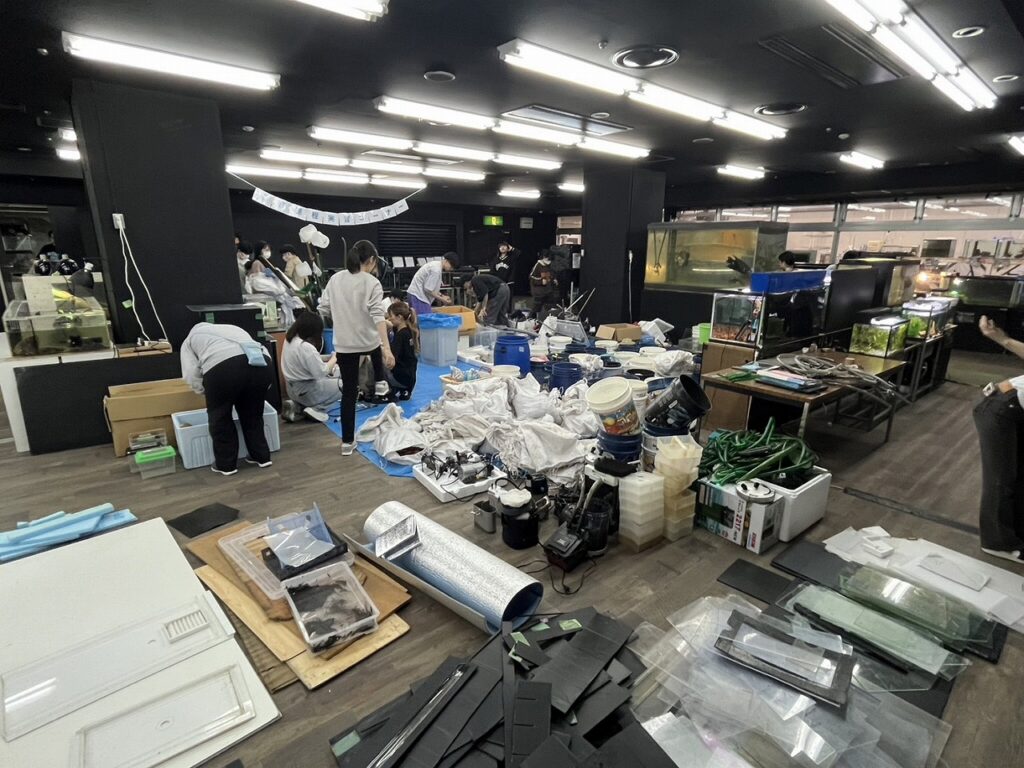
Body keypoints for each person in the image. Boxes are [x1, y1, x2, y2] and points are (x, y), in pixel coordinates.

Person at [318, 240, 395, 455]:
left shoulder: (335, 279)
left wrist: (343, 316)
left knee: (349, 394)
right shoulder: (372, 283)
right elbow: (378, 316)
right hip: (367, 341)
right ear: (371, 260)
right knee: (375, 345)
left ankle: (346, 443)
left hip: (344, 344)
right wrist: (387, 348)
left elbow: (323, 308)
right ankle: (380, 382)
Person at [180, 322, 273, 476]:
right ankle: (261, 456)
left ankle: (226, 465)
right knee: (253, 414)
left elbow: (190, 374)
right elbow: (257, 347)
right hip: (262, 363)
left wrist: (206, 392)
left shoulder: (190, 340)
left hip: (223, 368)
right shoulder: (233, 328)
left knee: (220, 417)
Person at [974, 316, 1024, 562]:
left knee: (1017, 475)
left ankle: (1016, 534)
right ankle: (997, 543)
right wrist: (1002, 339)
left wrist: (1002, 339)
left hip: (1015, 408)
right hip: (1000, 409)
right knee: (1001, 478)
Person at [282, 311, 341, 422]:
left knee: (331, 379)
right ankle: (317, 409)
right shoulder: (306, 347)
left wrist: (328, 357)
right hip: (307, 391)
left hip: (291, 389)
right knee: (343, 385)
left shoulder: (290, 340)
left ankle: (297, 408)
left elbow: (307, 359)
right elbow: (322, 372)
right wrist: (335, 358)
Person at [244, 259, 303, 326]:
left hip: (283, 298)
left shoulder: (260, 275)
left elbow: (279, 290)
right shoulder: (257, 279)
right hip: (280, 298)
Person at [385, 301, 419, 400]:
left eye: (391, 316)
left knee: (377, 360)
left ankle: (387, 390)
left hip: (401, 378)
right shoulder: (408, 330)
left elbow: (392, 359)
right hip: (410, 379)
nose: (389, 319)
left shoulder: (400, 335)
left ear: (399, 317)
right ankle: (404, 390)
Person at [406, 252, 458, 316]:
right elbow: (428, 289)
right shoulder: (436, 270)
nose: (451, 269)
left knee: (418, 318)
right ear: (446, 261)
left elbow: (431, 287)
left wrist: (442, 295)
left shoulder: (436, 265)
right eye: (451, 266)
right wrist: (442, 299)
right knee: (424, 320)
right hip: (418, 296)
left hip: (416, 294)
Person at [529, 249, 560, 320]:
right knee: (536, 308)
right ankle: (531, 319)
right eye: (547, 259)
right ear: (543, 257)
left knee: (549, 307)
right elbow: (531, 277)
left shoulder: (549, 266)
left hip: (547, 291)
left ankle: (544, 320)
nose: (549, 261)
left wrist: (554, 279)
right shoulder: (537, 265)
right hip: (538, 292)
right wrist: (540, 281)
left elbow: (550, 275)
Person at [491, 241, 518, 314]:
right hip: (498, 283)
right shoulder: (495, 259)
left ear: (508, 248)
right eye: (500, 246)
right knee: (498, 299)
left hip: (508, 283)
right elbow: (492, 271)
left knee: (508, 300)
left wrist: (511, 248)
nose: (502, 247)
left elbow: (518, 253)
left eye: (504, 246)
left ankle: (508, 314)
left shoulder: (511, 258)